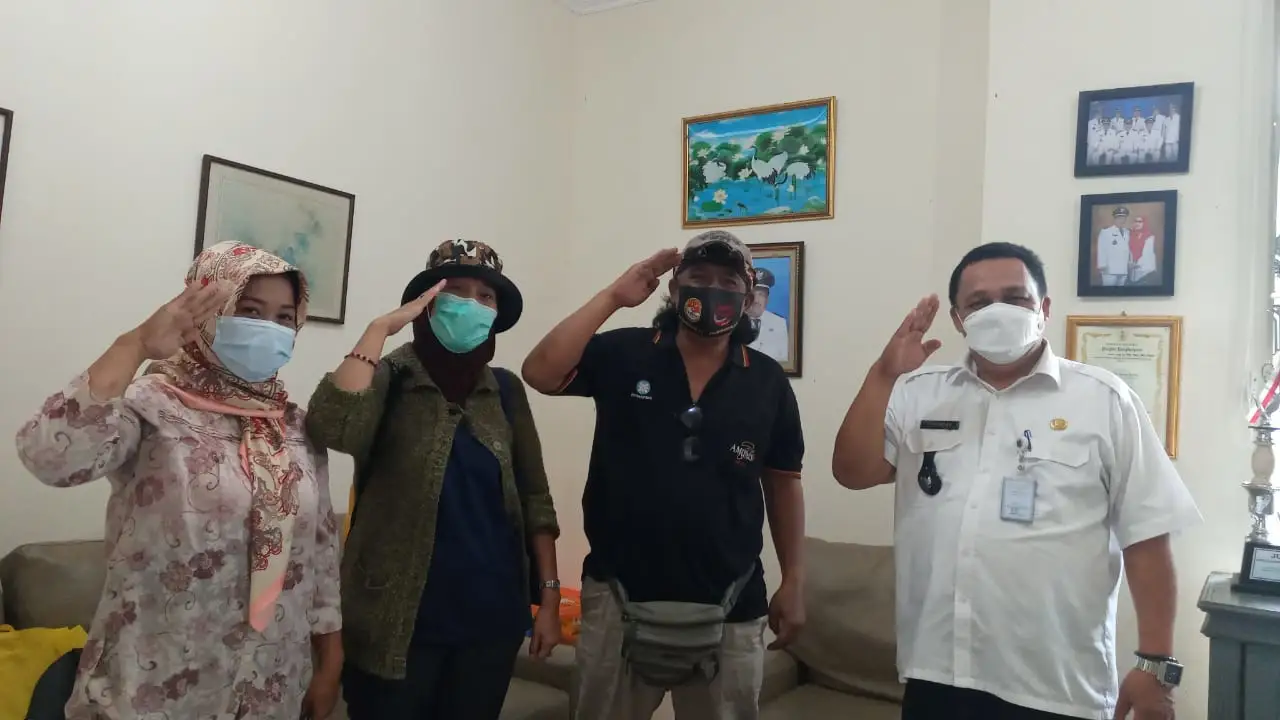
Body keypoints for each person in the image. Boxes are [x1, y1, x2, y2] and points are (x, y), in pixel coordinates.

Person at [831, 242, 1201, 720]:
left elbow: (1147, 534)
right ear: (958, 319)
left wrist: (1155, 666)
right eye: (979, 303)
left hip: (1058, 686)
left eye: (1015, 298)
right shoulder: (917, 394)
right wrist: (884, 374)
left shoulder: (1105, 400)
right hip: (938, 672)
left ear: (1043, 309)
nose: (998, 311)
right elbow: (853, 472)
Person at [15, 241, 343, 720]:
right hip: (157, 686)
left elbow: (320, 552)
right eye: (250, 311)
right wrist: (134, 345)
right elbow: (49, 456)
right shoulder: (153, 404)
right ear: (210, 311)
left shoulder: (295, 425)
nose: (268, 328)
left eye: (283, 317)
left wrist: (330, 661)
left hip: (271, 684)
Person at [521, 230, 806, 720]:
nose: (712, 290)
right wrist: (614, 297)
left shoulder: (766, 379)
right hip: (617, 595)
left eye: (728, 282)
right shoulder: (625, 352)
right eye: (698, 277)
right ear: (674, 290)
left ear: (747, 299)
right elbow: (540, 372)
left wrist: (795, 579)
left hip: (732, 600)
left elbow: (783, 483)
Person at [305, 239, 562, 720]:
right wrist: (378, 330)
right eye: (456, 291)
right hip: (394, 625)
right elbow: (330, 427)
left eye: (486, 297)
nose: (471, 304)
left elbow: (535, 498)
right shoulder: (390, 377)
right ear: (427, 302)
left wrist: (549, 596)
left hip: (491, 624)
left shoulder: (505, 391)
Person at [746, 267, 790, 363]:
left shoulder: (779, 323)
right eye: (753, 294)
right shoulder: (734, 321)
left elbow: (784, 360)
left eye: (761, 294)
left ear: (767, 299)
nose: (756, 300)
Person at [1097, 206, 1132, 286]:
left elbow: (1129, 249)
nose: (1122, 220)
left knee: (1121, 292)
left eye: (1124, 218)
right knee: (1108, 291)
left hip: (1123, 269)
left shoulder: (1127, 232)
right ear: (1115, 219)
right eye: (1119, 218)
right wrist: (1102, 265)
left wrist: (1129, 262)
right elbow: (1101, 249)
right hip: (1110, 270)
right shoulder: (1106, 232)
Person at [1129, 215, 1158, 284]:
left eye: (1140, 222)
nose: (1137, 223)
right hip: (1133, 271)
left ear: (1144, 223)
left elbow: (1148, 253)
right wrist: (1130, 263)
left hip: (1145, 270)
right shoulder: (1131, 235)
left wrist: (1137, 264)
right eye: (1135, 221)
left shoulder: (1149, 236)